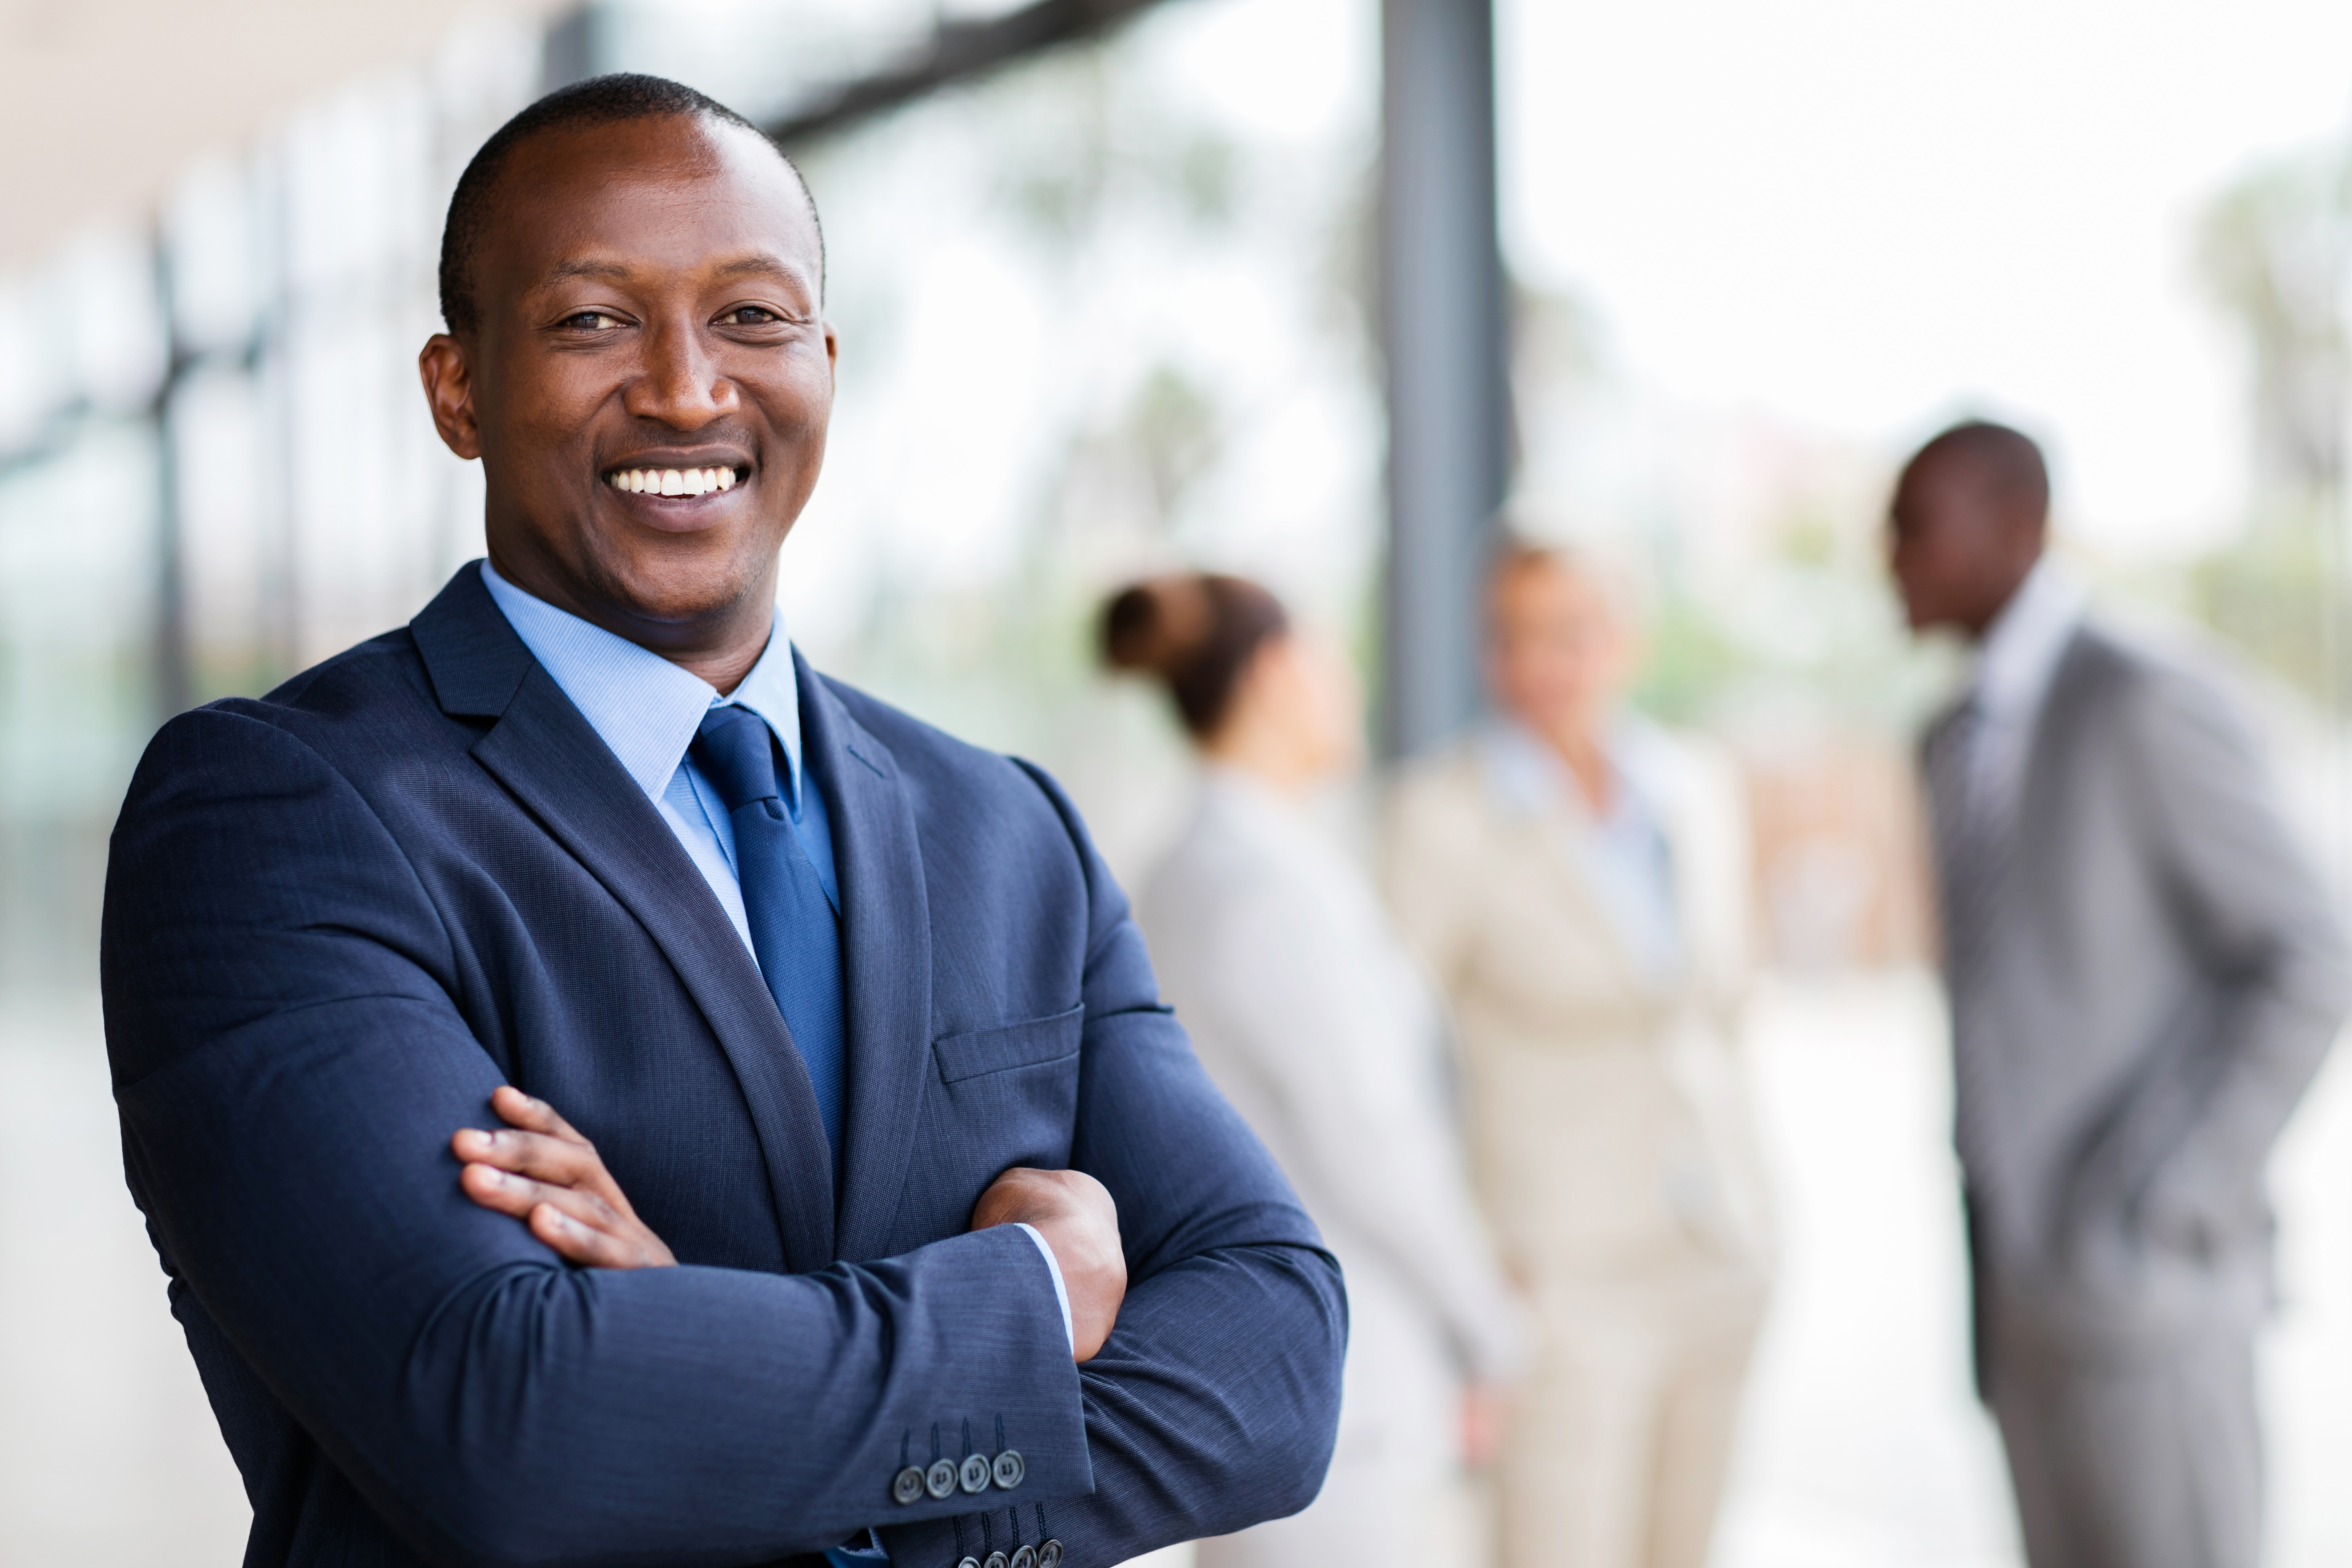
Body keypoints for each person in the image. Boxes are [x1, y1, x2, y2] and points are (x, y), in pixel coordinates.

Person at [100, 75, 1344, 1568]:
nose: (690, 389)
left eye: (752, 317)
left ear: (827, 357)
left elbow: (1279, 1359)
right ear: (458, 389)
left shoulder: (1010, 833)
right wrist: (1027, 1295)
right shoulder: (278, 815)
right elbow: (513, 1426)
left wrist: (689, 1348)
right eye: (592, 321)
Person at [1889, 420, 2350, 1568]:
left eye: (1913, 525)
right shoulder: (1948, 737)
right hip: (2016, 1296)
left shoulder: (2145, 698)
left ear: (2018, 525)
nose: (1885, 558)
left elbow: (2309, 953)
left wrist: (2166, 1196)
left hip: (2152, 1293)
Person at [1104, 575, 1526, 1568]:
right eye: (1332, 658)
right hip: (1340, 1377)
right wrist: (1492, 1319)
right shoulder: (1262, 883)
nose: (1349, 686)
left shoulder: (1199, 862)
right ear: (1277, 672)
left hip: (1283, 1369)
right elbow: (1371, 1136)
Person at [1383, 544, 1773, 1568]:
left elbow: (1722, 1019)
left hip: (1718, 1249)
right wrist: (1469, 1269)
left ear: (1626, 641)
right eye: (1509, 635)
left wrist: (1765, 1213)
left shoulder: (1696, 788)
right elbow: (1388, 1067)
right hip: (1560, 1279)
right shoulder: (1443, 817)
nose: (1536, 663)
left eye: (1568, 632)